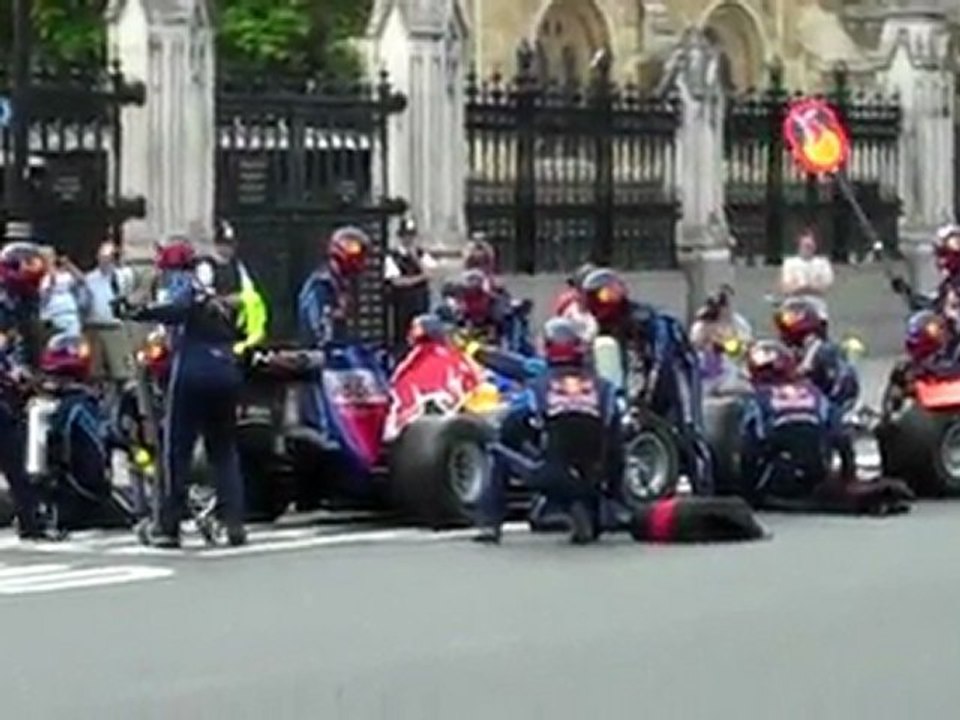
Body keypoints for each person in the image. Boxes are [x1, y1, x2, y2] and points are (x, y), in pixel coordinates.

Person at [128, 238, 247, 548]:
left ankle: (167, 527)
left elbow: (177, 308)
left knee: (175, 452)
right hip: (226, 368)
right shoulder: (226, 284)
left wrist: (139, 311)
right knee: (224, 451)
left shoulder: (182, 282)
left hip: (192, 369)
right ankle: (234, 523)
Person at [474, 317, 623, 544]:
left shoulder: (538, 384)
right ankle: (597, 506)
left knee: (497, 449)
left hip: (551, 473)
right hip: (597, 477)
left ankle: (489, 524)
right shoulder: (605, 387)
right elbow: (616, 441)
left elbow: (512, 423)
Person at [579, 268, 715, 494]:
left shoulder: (646, 319)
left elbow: (662, 356)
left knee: (688, 424)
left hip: (676, 371)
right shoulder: (602, 331)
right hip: (638, 381)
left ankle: (704, 486)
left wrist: (648, 392)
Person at [738, 339, 846, 503]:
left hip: (777, 467)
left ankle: (751, 490)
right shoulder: (814, 392)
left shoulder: (757, 398)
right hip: (817, 464)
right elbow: (838, 430)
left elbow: (750, 439)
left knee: (751, 439)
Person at [296, 227, 371, 440]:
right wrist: (328, 342)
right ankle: (321, 430)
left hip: (337, 354)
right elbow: (317, 324)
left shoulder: (341, 282)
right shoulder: (321, 284)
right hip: (319, 355)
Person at [773, 296, 859, 480]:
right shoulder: (781, 351)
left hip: (819, 404)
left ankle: (848, 472)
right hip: (783, 404)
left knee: (840, 430)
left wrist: (833, 405)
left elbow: (843, 383)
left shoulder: (825, 350)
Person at [0, 242, 51, 538]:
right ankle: (30, 518)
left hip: (13, 388)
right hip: (5, 385)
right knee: (12, 449)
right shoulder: (6, 303)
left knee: (17, 453)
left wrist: (35, 374)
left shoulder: (27, 303)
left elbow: (30, 343)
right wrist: (14, 371)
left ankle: (31, 518)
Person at [200, 220, 268, 356]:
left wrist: (239, 299)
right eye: (225, 244)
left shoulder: (237, 266)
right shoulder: (207, 266)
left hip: (235, 321)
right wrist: (223, 301)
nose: (229, 248)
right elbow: (203, 294)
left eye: (231, 244)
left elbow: (249, 290)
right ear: (217, 245)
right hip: (213, 323)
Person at [441, 268, 534, 354]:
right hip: (474, 336)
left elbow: (499, 316)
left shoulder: (494, 302)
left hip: (493, 335)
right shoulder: (461, 305)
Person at [83, 241, 136, 387]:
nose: (105, 261)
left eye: (109, 257)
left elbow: (128, 290)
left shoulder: (123, 276)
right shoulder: (90, 278)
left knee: (122, 371)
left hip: (114, 326)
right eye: (103, 257)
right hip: (94, 327)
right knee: (95, 371)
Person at [385, 217, 436, 356]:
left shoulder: (421, 254)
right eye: (405, 236)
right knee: (403, 338)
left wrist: (416, 259)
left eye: (411, 236)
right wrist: (419, 278)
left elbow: (431, 273)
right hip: (402, 304)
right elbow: (397, 281)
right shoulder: (392, 256)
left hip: (420, 303)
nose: (409, 239)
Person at [779, 228, 834, 323]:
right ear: (799, 246)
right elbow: (786, 289)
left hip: (816, 305)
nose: (808, 249)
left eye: (810, 246)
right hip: (793, 304)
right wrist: (810, 286)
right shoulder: (789, 263)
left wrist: (800, 287)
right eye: (805, 246)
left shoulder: (823, 263)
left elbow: (824, 288)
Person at [39, 248, 90, 339]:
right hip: (54, 317)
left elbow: (82, 280)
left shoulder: (66, 275)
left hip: (70, 314)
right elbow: (45, 294)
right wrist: (51, 274)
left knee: (73, 342)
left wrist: (68, 264)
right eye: (46, 257)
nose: (50, 259)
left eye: (51, 256)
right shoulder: (43, 278)